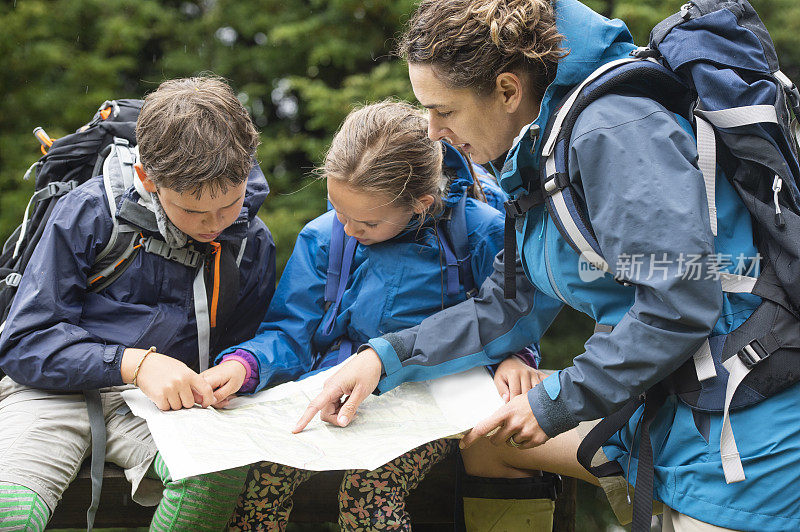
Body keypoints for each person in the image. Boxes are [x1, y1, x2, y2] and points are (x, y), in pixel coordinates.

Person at [294, 1, 800, 531]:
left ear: (508, 91)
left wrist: (553, 402)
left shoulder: (614, 129)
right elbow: (509, 302)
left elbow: (679, 302)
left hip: (742, 432)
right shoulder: (541, 147)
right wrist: (383, 358)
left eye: (444, 110)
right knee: (490, 442)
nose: (433, 131)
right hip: (668, 409)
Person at [207, 101, 554, 531]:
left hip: (435, 397)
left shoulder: (482, 230)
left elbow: (510, 312)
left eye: (367, 223)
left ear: (420, 204)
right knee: (263, 481)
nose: (348, 229)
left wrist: (514, 356)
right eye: (338, 210)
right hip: (337, 389)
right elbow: (290, 330)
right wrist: (246, 364)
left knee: (368, 495)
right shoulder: (324, 237)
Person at [0, 76, 276, 531]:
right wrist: (135, 364)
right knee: (13, 514)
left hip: (162, 407)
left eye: (229, 205)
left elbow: (250, 341)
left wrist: (239, 369)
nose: (214, 225)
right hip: (49, 392)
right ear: (147, 178)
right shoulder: (89, 213)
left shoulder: (250, 241)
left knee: (216, 475)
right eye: (192, 211)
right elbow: (23, 343)